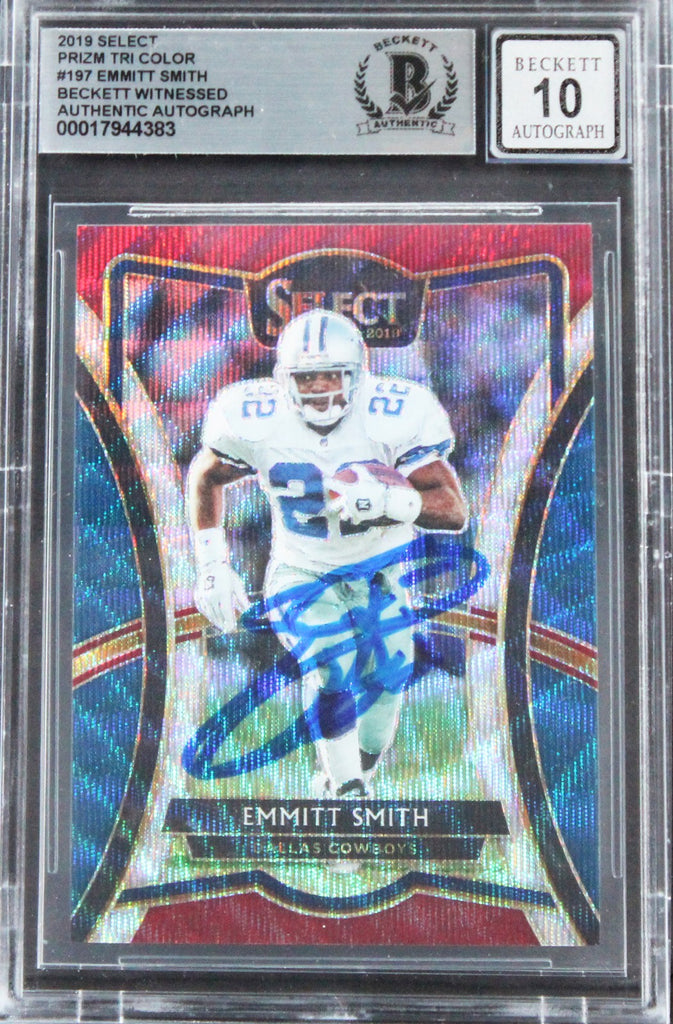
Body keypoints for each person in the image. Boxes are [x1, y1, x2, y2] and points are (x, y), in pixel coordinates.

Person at [187, 309, 467, 799]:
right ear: (284, 378)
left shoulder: (391, 414)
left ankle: (358, 768)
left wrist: (397, 502)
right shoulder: (256, 417)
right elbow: (205, 475)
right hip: (302, 570)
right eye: (306, 377)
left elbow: (454, 510)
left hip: (379, 572)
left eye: (331, 375)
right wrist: (212, 564)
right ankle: (346, 789)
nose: (318, 389)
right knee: (329, 660)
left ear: (356, 375)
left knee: (386, 686)